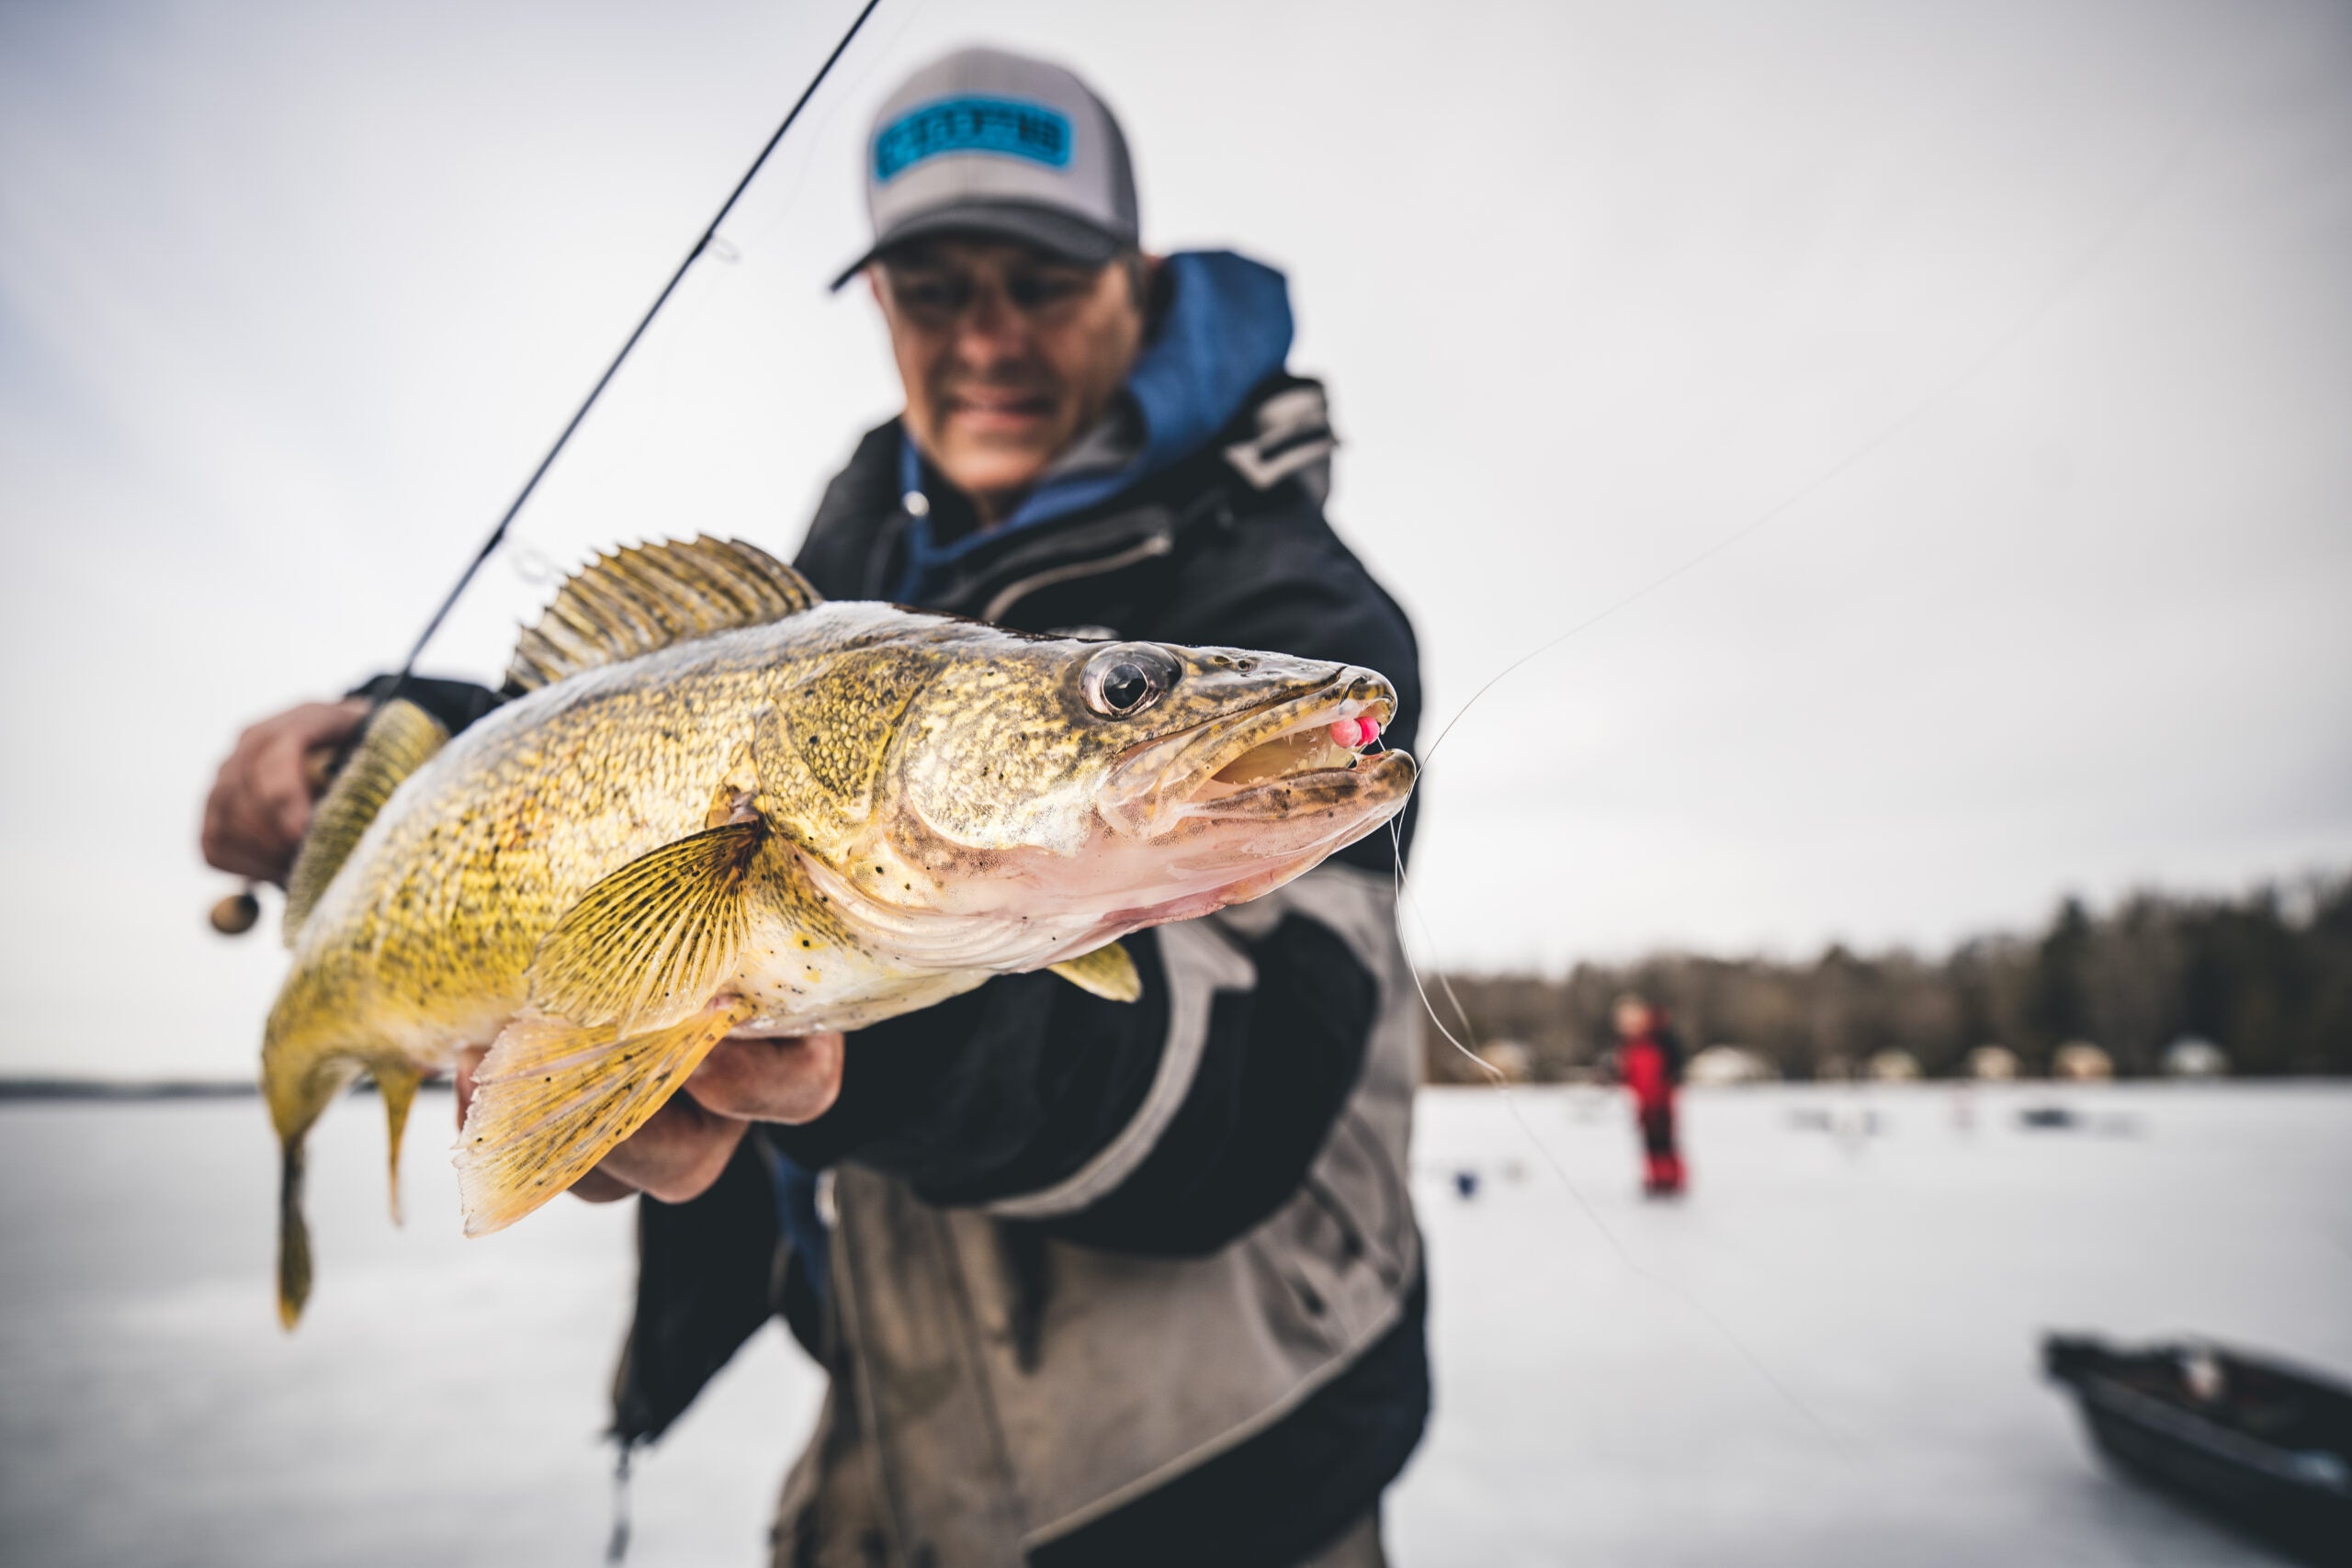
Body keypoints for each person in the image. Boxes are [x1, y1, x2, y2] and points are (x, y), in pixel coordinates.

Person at [201, 46, 1427, 1568]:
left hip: (1221, 1479)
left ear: (1137, 276)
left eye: (1039, 280)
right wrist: (373, 727)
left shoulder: (1298, 600)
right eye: (932, 289)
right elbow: (609, 736)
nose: (986, 337)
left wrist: (849, 1046)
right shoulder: (858, 564)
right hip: (882, 1443)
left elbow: (1240, 1109)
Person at [1612, 992, 1686, 1196]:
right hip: (1643, 1102)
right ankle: (1655, 1177)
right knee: (1649, 1141)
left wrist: (1663, 1094)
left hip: (1661, 1101)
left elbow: (1671, 1071)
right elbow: (1628, 1074)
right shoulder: (1627, 1047)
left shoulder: (1660, 1042)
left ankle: (1671, 1178)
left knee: (1665, 1140)